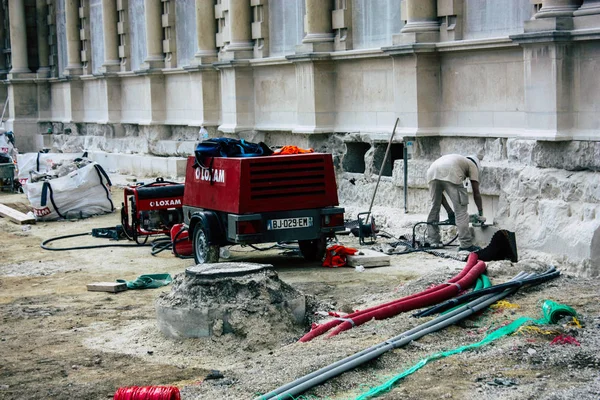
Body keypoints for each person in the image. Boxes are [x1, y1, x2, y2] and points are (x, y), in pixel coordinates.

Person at [425, 152, 485, 252]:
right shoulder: (472, 164)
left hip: (432, 171)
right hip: (451, 171)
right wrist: (480, 212)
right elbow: (476, 192)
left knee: (434, 206)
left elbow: (440, 199)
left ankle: (433, 241)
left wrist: (449, 212)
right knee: (461, 211)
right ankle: (466, 244)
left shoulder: (459, 160)